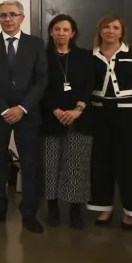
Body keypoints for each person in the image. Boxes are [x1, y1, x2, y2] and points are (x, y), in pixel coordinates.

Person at [0, 0, 48, 233]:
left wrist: (23, 108)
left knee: (30, 164)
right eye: (3, 15)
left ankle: (29, 213)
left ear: (22, 18)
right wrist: (3, 108)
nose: (7, 19)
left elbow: (42, 79)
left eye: (12, 15)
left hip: (28, 114)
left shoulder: (36, 44)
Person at [88, 15, 132, 230]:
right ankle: (104, 207)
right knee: (101, 162)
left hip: (128, 115)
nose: (111, 31)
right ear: (100, 31)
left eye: (115, 28)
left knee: (129, 163)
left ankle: (130, 211)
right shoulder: (91, 55)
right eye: (106, 27)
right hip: (99, 114)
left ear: (122, 32)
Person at [39, 14, 94, 230]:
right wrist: (56, 110)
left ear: (73, 33)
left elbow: (89, 84)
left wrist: (77, 109)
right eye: (57, 29)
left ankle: (75, 211)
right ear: (51, 32)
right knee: (50, 166)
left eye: (66, 29)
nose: (61, 33)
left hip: (79, 119)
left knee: (76, 167)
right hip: (51, 118)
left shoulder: (84, 56)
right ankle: (53, 208)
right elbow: (40, 86)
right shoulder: (42, 57)